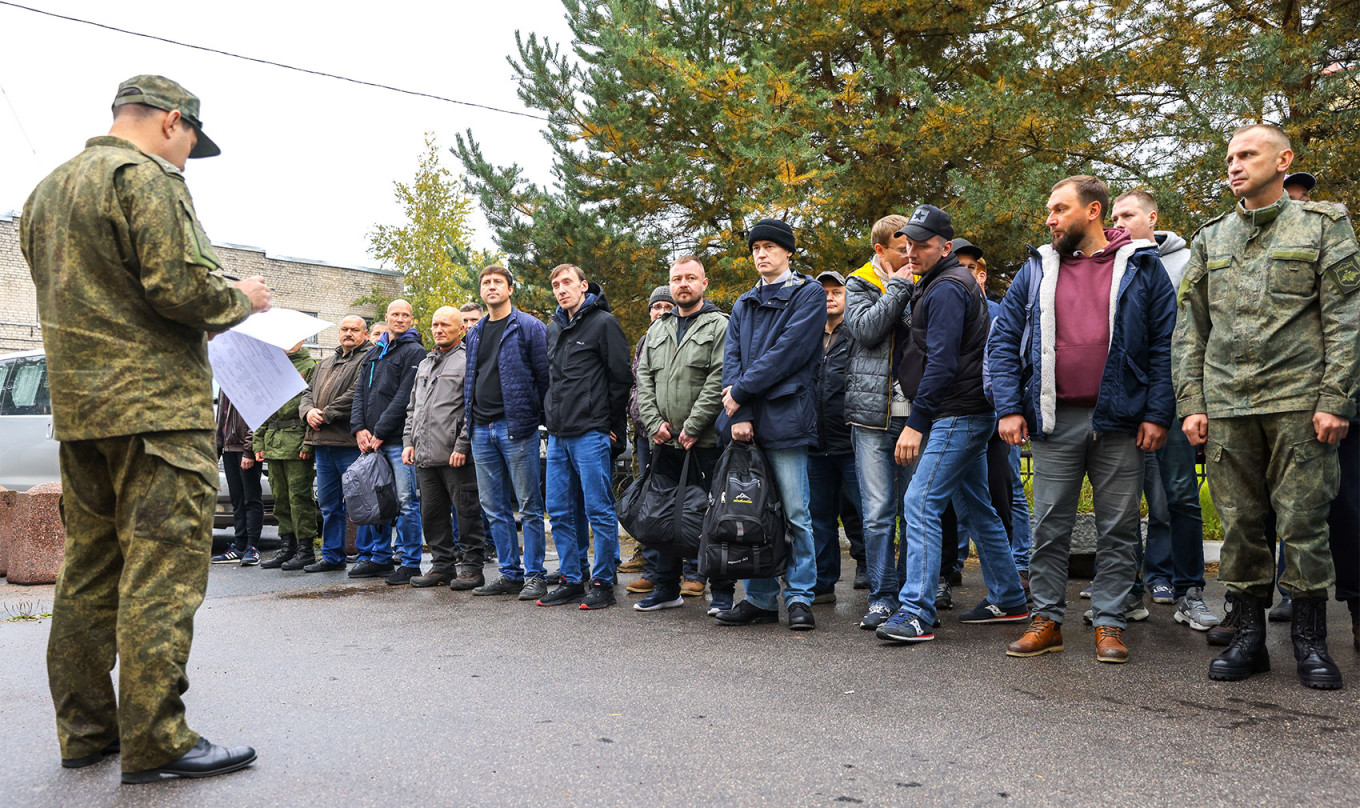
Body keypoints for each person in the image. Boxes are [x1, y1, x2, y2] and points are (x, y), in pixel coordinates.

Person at [21, 74, 265, 782]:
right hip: (156, 413)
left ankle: (87, 731)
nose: (188, 156)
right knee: (162, 572)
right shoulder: (147, 177)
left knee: (89, 573)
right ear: (170, 121)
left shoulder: (46, 192)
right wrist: (242, 297)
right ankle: (157, 740)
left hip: (82, 416)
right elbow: (180, 287)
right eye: (191, 141)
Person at [1176, 124, 1360, 689]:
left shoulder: (1323, 225)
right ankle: (1250, 639)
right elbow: (1191, 329)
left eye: (1247, 154)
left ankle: (1309, 641)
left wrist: (1336, 398)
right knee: (1240, 525)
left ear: (1283, 160)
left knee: (1305, 525)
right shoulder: (1212, 238)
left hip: (1300, 403)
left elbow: (1346, 317)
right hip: (1229, 403)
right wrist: (1192, 402)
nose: (1234, 165)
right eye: (1229, 157)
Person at [990, 175, 1176, 664]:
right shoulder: (1036, 269)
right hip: (1055, 420)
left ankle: (1110, 623)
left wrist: (1158, 413)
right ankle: (1046, 620)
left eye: (1058, 209)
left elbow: (1165, 346)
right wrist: (1009, 407)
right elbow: (1004, 340)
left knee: (1118, 527)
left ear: (1093, 211)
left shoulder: (1141, 266)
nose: (1049, 219)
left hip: (1120, 420)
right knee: (1049, 526)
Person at [874, 207, 1028, 643]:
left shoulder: (945, 288)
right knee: (978, 507)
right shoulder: (943, 283)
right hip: (964, 410)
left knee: (920, 503)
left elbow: (941, 363)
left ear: (945, 246)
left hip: (954, 414)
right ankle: (1010, 598)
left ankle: (916, 612)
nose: (912, 251)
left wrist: (916, 423)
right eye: (908, 244)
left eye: (922, 244)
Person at [1109, 189, 1219, 631]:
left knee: (1178, 496)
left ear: (1153, 217)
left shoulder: (1187, 262)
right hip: (1122, 398)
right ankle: (1128, 589)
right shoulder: (1108, 261)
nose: (1119, 222)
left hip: (1173, 396)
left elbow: (1200, 331)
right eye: (1114, 216)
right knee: (1119, 499)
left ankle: (1188, 589)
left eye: (1129, 214)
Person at [714, 219, 827, 631]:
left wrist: (741, 393)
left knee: (796, 512)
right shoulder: (744, 302)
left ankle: (799, 597)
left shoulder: (808, 294)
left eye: (770, 247)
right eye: (756, 247)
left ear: (788, 252)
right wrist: (739, 413)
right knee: (750, 512)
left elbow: (788, 353)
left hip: (788, 418)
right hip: (747, 423)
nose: (761, 254)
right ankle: (760, 599)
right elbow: (732, 359)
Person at [634, 257, 734, 613]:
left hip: (705, 443)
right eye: (677, 279)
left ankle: (721, 596)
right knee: (660, 517)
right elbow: (643, 378)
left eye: (690, 278)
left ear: (704, 283)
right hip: (664, 440)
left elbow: (720, 377)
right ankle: (665, 589)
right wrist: (652, 422)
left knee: (714, 519)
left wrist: (693, 426)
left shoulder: (720, 325)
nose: (683, 284)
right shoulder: (658, 329)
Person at [537, 266, 632, 609]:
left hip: (591, 433)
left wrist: (612, 426)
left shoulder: (603, 323)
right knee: (559, 510)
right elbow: (551, 380)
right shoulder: (553, 328)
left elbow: (620, 378)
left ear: (583, 286)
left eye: (566, 283)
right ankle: (572, 578)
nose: (561, 290)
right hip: (559, 434)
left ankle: (604, 581)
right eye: (555, 285)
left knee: (598, 510)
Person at [843, 215, 916, 629]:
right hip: (872, 418)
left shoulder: (927, 280)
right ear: (880, 250)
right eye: (901, 248)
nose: (910, 255)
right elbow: (867, 330)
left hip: (916, 417)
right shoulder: (858, 283)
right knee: (877, 512)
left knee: (914, 511)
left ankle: (910, 596)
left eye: (913, 247)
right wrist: (900, 287)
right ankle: (882, 596)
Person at [463, 265, 553, 601]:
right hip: (481, 429)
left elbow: (544, 378)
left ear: (510, 289)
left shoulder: (529, 326)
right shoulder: (474, 333)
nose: (491, 287)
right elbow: (470, 380)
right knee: (493, 506)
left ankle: (535, 575)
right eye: (485, 283)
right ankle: (509, 574)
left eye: (497, 282)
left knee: (529, 505)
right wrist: (468, 425)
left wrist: (540, 418)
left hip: (517, 427)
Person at [405, 307, 488, 589]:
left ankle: (472, 568)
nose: (438, 329)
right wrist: (409, 441)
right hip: (425, 455)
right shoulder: (426, 362)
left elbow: (471, 408)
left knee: (466, 513)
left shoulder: (467, 361)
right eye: (434, 324)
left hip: (455, 455)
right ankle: (441, 566)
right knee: (432, 515)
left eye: (445, 325)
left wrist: (462, 445)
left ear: (460, 329)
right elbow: (413, 407)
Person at [350, 299, 427, 585]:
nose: (400, 319)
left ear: (411, 319)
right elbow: (360, 393)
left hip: (394, 440)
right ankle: (380, 559)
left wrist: (380, 432)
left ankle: (410, 562)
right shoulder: (374, 353)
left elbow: (404, 397)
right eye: (395, 314)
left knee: (407, 502)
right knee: (377, 501)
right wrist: (359, 428)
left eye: (406, 315)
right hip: (369, 441)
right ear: (386, 317)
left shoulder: (415, 352)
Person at [299, 315, 374, 573]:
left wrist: (325, 413)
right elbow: (307, 393)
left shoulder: (369, 358)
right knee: (329, 503)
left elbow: (357, 393)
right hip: (322, 442)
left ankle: (366, 555)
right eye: (344, 329)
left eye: (355, 329)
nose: (349, 333)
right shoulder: (325, 363)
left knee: (359, 502)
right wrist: (308, 412)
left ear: (365, 334)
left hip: (349, 442)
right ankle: (332, 555)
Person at [808, 271, 864, 605]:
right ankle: (823, 581)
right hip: (815, 442)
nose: (830, 297)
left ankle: (873, 572)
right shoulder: (808, 335)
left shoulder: (857, 332)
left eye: (836, 291)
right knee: (819, 518)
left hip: (852, 440)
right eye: (824, 292)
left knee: (864, 512)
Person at [621, 285, 674, 584]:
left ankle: (686, 569)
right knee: (646, 499)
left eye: (667, 307)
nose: (662, 312)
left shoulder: (677, 335)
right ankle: (648, 559)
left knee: (675, 498)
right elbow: (637, 385)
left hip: (669, 433)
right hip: (642, 432)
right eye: (657, 307)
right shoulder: (644, 341)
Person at [253, 342, 319, 571]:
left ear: (300, 341)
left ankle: (305, 549)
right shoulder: (273, 367)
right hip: (274, 440)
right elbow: (264, 406)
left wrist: (308, 442)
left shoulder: (310, 366)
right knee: (280, 498)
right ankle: (287, 546)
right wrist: (258, 440)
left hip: (296, 439)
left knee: (299, 497)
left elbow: (314, 406)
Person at [212, 392, 263, 566]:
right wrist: (217, 451)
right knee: (237, 500)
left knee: (251, 498)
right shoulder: (224, 384)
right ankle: (239, 546)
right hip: (228, 449)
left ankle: (252, 547)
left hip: (244, 448)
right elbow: (221, 420)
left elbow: (258, 416)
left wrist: (248, 450)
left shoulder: (247, 380)